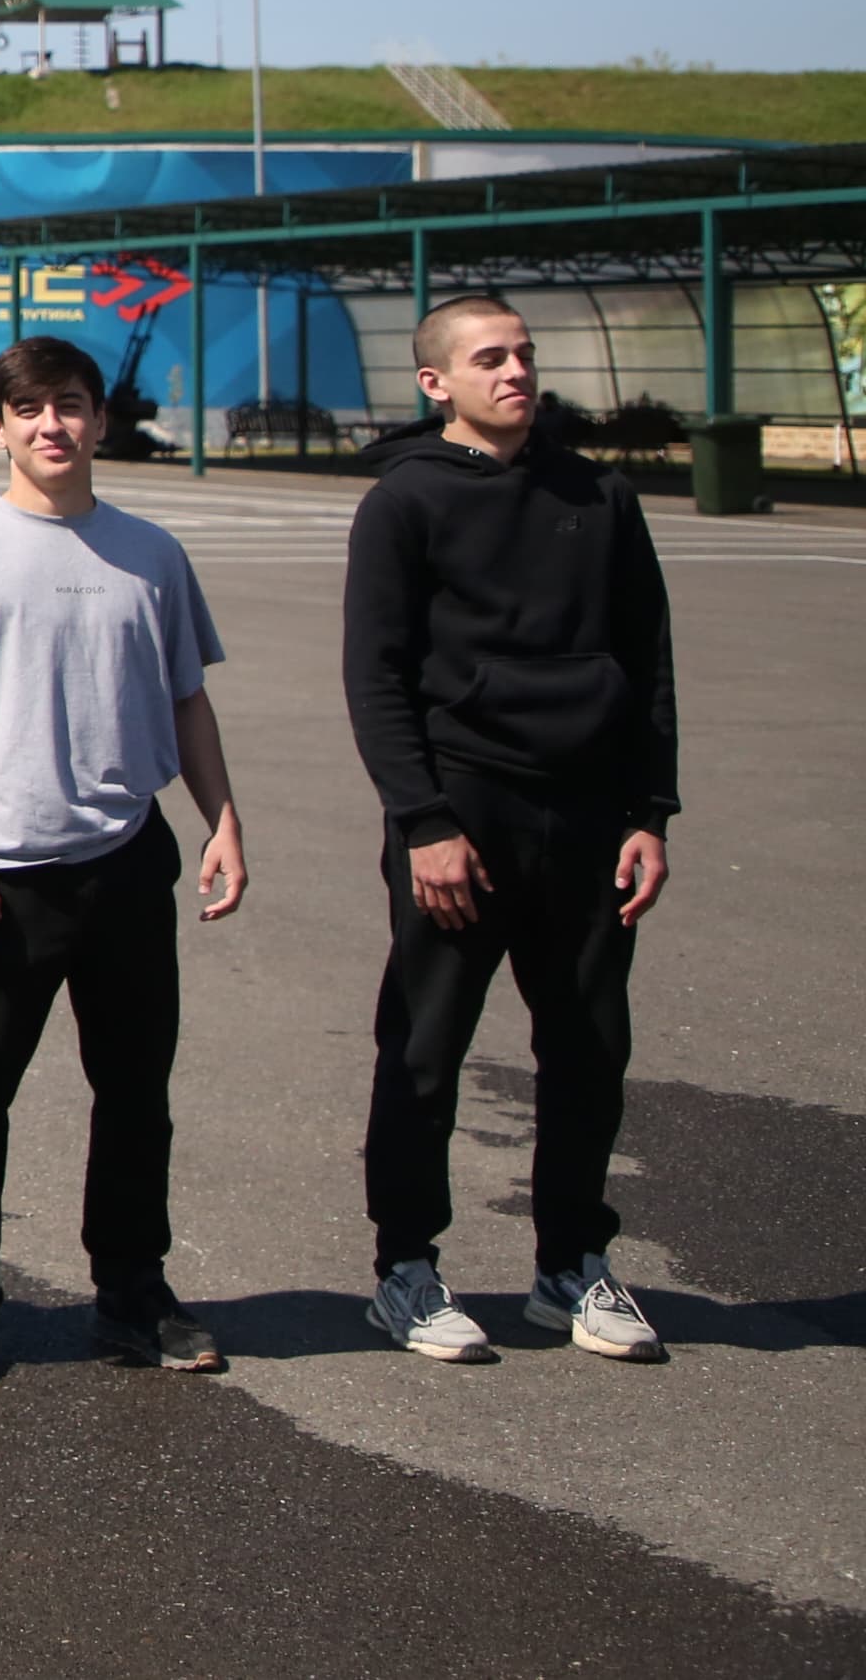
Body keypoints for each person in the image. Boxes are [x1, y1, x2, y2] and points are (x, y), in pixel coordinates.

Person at [0, 334, 247, 1381]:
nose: (53, 424)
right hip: (3, 874)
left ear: (99, 419)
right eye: (30, 407)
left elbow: (187, 699)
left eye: (72, 404)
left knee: (135, 1093)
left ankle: (132, 1290)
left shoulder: (151, 553)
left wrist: (222, 818)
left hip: (126, 859)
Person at [345, 296, 677, 1366]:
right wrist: (424, 821)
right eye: (489, 357)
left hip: (586, 817)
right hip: (463, 813)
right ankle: (405, 1266)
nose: (515, 371)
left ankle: (570, 1264)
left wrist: (648, 812)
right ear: (435, 381)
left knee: (588, 1048)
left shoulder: (598, 493)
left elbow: (647, 660)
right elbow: (376, 676)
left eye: (524, 354)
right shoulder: (404, 502)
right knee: (425, 1049)